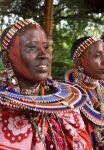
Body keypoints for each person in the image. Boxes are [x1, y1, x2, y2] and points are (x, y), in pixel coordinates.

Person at [0, 19, 93, 150]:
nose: (44, 55)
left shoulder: (67, 108)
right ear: (6, 57)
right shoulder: (3, 110)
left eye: (46, 47)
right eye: (32, 47)